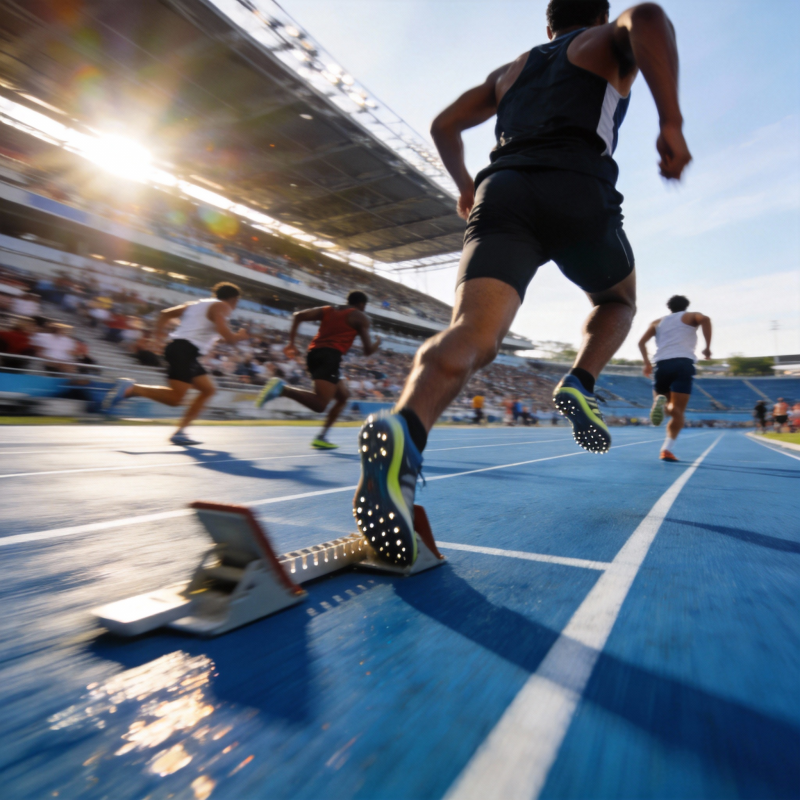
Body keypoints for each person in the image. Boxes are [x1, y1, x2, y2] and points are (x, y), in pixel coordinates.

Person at [354, 0, 691, 566]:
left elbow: (444, 126)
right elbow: (649, 15)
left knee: (473, 332)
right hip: (576, 184)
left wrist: (465, 187)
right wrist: (671, 121)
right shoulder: (604, 41)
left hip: (502, 190)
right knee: (619, 301)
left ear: (547, 24)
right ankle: (579, 382)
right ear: (599, 13)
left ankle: (405, 428)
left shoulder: (508, 72)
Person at [103, 282, 248, 445]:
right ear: (234, 299)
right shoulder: (223, 307)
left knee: (208, 390)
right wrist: (239, 336)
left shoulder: (197, 305)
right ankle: (131, 389)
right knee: (176, 399)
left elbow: (165, 313)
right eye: (237, 302)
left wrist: (156, 336)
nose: (235, 306)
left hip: (184, 350)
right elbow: (229, 338)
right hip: (184, 351)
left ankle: (181, 431)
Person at [255, 291, 380, 449]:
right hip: (330, 356)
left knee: (343, 396)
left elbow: (298, 315)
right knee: (320, 404)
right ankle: (282, 389)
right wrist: (378, 343)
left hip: (314, 354)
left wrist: (291, 343)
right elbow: (368, 350)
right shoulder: (360, 317)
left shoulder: (329, 309)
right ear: (362, 305)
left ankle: (322, 437)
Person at [638, 295, 711, 462]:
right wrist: (707, 347)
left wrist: (646, 364)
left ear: (669, 307)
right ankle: (666, 450)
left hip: (662, 365)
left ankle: (661, 404)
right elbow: (705, 319)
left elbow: (641, 343)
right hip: (683, 364)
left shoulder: (657, 322)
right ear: (686, 306)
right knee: (678, 413)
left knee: (666, 409)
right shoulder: (691, 316)